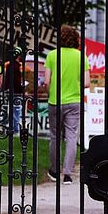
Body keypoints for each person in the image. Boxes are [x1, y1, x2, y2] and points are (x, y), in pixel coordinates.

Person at [45, 26, 87, 182]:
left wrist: (50, 90)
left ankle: (54, 171)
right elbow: (87, 82)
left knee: (55, 136)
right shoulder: (81, 56)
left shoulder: (52, 55)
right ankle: (68, 174)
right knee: (71, 137)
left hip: (55, 101)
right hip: (74, 101)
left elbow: (47, 81)